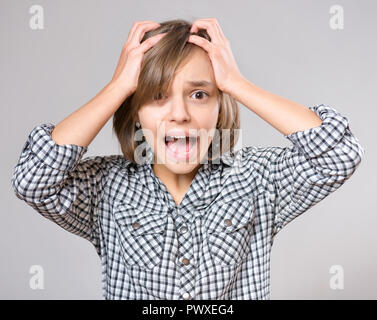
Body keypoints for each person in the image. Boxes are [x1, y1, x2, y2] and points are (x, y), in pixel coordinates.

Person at [11, 18, 365, 300]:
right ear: (135, 113)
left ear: (218, 104)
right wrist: (117, 87)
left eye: (199, 94)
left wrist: (237, 83)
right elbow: (32, 181)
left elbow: (339, 154)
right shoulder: (106, 187)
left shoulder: (257, 179)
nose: (179, 114)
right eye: (158, 96)